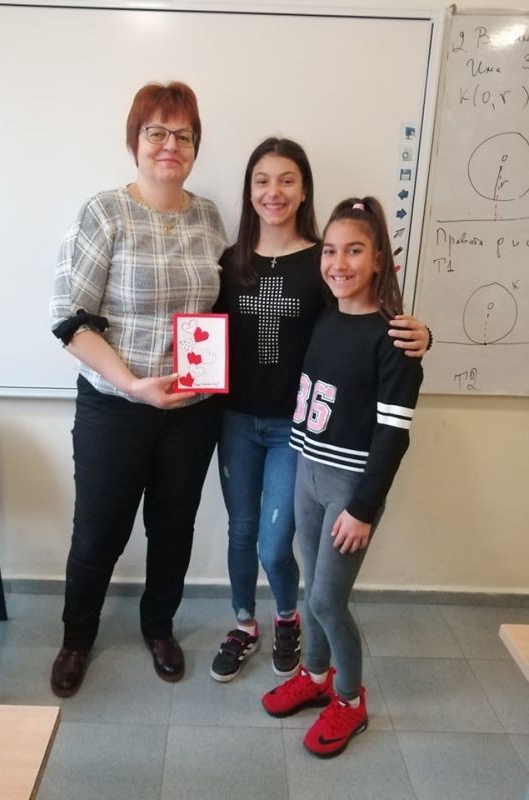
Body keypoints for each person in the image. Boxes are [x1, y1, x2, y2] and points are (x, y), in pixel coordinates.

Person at [210, 140, 429, 684]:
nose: (274, 191)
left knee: (274, 544)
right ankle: (244, 623)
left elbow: (365, 321)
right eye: (262, 180)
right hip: (235, 422)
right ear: (249, 190)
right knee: (240, 534)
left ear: (305, 189)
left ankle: (288, 619)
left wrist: (424, 334)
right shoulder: (230, 261)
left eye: (287, 179)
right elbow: (203, 332)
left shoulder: (323, 262)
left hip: (297, 432)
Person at [49, 81, 227, 697]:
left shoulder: (209, 217)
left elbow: (220, 308)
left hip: (192, 411)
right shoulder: (104, 213)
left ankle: (159, 628)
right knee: (99, 532)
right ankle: (77, 639)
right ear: (136, 141)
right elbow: (69, 320)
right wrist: (132, 384)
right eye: (157, 132)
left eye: (184, 135)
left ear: (196, 146)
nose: (170, 145)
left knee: (174, 529)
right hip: (115, 406)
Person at [261, 197, 423, 759]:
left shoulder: (395, 338)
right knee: (313, 589)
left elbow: (394, 436)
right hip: (307, 470)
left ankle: (350, 700)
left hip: (350, 489)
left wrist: (363, 509)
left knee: (330, 601)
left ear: (379, 260)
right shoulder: (325, 318)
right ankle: (316, 675)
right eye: (330, 251)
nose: (338, 263)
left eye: (354, 250)